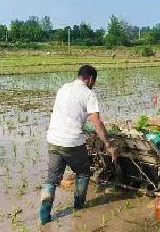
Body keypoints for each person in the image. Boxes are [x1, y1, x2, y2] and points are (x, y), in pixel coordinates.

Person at [39, 65, 116, 225]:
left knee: (52, 180)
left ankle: (44, 218)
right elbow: (96, 123)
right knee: (83, 173)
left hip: (53, 139)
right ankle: (79, 207)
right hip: (72, 143)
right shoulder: (89, 94)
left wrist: (81, 127)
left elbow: (67, 114)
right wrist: (108, 143)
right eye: (94, 82)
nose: (93, 84)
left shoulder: (64, 88)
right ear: (91, 80)